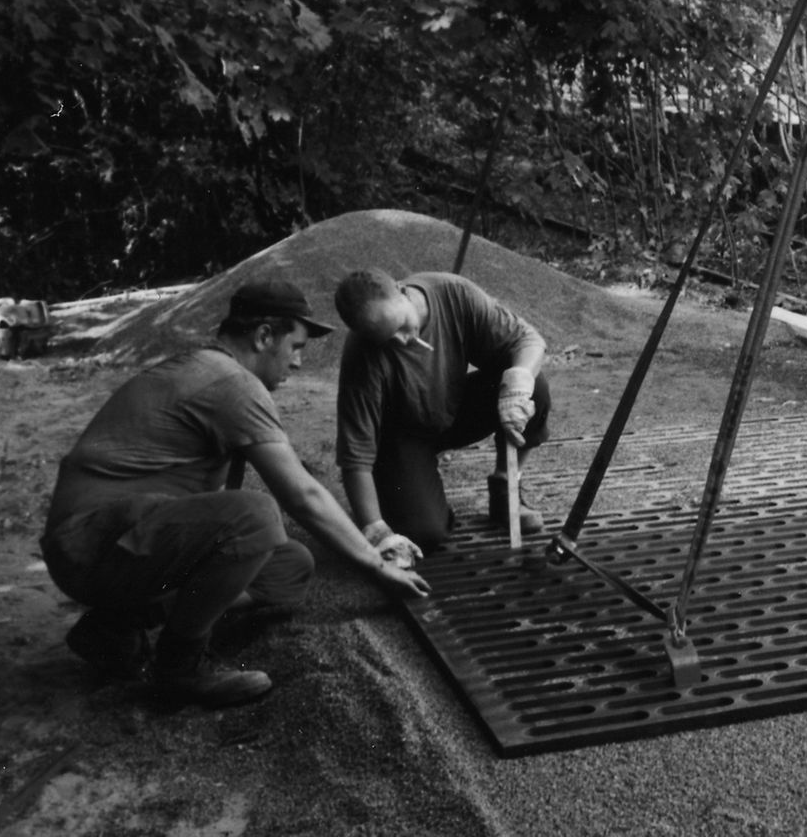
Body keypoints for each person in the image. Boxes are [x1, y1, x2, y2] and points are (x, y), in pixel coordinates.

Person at [42, 280, 431, 707]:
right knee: (256, 515)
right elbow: (301, 493)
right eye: (296, 347)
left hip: (118, 541)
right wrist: (377, 565)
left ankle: (117, 625)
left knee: (290, 567)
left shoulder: (215, 372)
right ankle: (179, 667)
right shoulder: (230, 382)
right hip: (88, 545)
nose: (298, 364)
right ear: (264, 336)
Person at [333, 269, 551, 552]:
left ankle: (505, 492)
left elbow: (528, 340)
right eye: (387, 339)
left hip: (452, 406)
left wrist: (517, 387)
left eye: (401, 326)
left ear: (402, 291)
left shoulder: (453, 294)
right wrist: (376, 531)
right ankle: (400, 493)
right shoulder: (361, 354)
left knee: (534, 383)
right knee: (425, 533)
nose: (401, 340)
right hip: (402, 435)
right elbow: (355, 454)